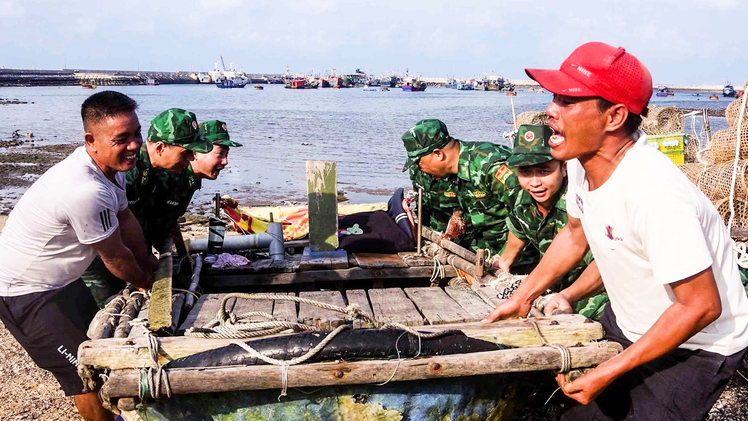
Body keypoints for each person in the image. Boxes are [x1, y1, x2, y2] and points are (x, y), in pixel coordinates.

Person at [482, 42, 748, 420]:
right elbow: (576, 234)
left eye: (568, 101)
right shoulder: (581, 161)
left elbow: (701, 306)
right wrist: (525, 295)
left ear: (614, 117)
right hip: (629, 320)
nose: (550, 110)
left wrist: (611, 368)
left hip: (698, 343)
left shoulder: (655, 195)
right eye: (555, 96)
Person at [0, 91, 155, 421]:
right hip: (23, 293)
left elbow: (127, 221)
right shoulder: (84, 189)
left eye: (137, 133)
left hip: (63, 282)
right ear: (91, 140)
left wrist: (150, 263)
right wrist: (147, 283)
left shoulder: (113, 168)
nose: (134, 145)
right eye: (122, 138)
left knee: (102, 354)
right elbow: (115, 258)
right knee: (85, 376)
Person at [82, 108, 211, 307]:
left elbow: (153, 220)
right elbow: (113, 238)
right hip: (97, 256)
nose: (191, 160)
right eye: (186, 153)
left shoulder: (159, 172)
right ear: (160, 148)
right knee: (107, 309)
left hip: (125, 254)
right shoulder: (127, 172)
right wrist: (144, 273)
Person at [496, 124, 605, 319]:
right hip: (555, 290)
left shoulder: (580, 200)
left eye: (544, 171)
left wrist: (567, 296)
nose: (535, 182)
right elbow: (519, 230)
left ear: (564, 168)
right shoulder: (522, 198)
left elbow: (605, 264)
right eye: (526, 173)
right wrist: (504, 261)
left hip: (597, 293)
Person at [402, 119, 537, 269]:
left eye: (419, 162)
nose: (418, 169)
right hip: (464, 253)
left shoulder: (489, 165)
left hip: (513, 259)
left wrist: (506, 258)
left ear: (438, 154)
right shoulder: (425, 174)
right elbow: (431, 211)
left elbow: (529, 210)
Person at [159, 120, 243, 262]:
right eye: (220, 154)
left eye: (226, 154)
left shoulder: (194, 178)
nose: (225, 162)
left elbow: (170, 220)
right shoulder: (173, 175)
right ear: (196, 152)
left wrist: (183, 254)